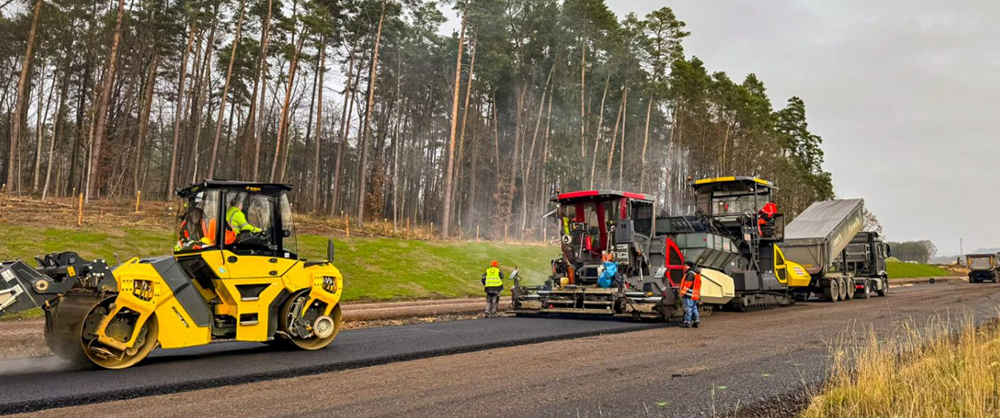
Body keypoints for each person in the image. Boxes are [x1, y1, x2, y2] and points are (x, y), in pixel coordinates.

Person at [679, 261, 702, 328]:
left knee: (688, 308)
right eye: (684, 266)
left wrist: (683, 292)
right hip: (694, 295)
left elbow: (688, 284)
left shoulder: (690, 273)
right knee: (694, 308)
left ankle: (687, 322)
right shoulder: (696, 273)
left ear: (690, 266)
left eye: (686, 266)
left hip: (688, 294)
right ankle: (696, 321)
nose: (685, 267)